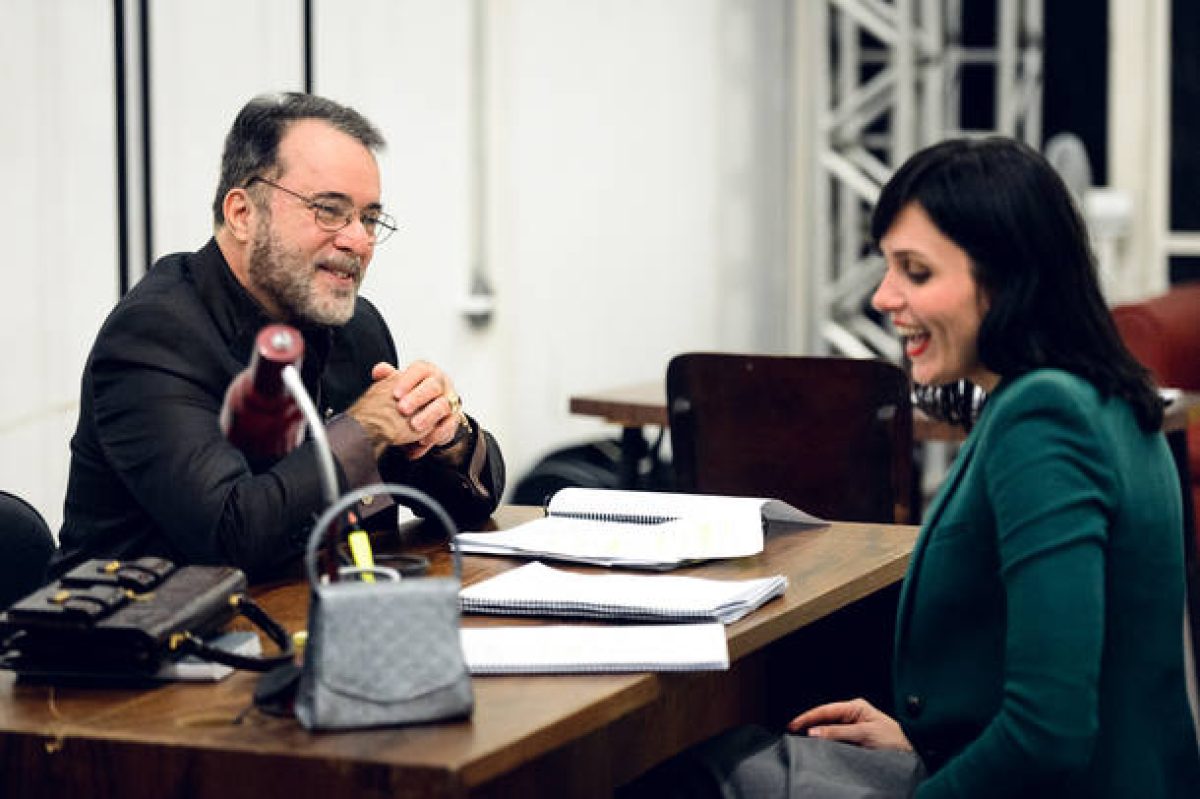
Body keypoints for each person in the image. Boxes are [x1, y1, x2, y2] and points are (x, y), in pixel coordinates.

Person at [628, 137, 1200, 797]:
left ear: (1008, 279)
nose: (883, 296)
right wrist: (923, 740)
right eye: (888, 267)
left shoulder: (1045, 417)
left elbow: (1050, 735)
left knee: (692, 778)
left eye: (916, 272)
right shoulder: (1108, 395)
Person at [52, 92, 505, 581]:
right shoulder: (155, 336)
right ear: (242, 214)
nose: (358, 240)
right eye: (329, 210)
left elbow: (470, 504)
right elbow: (231, 536)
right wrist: (364, 429)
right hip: (142, 624)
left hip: (321, 610)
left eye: (370, 218)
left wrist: (446, 438)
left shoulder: (355, 328)